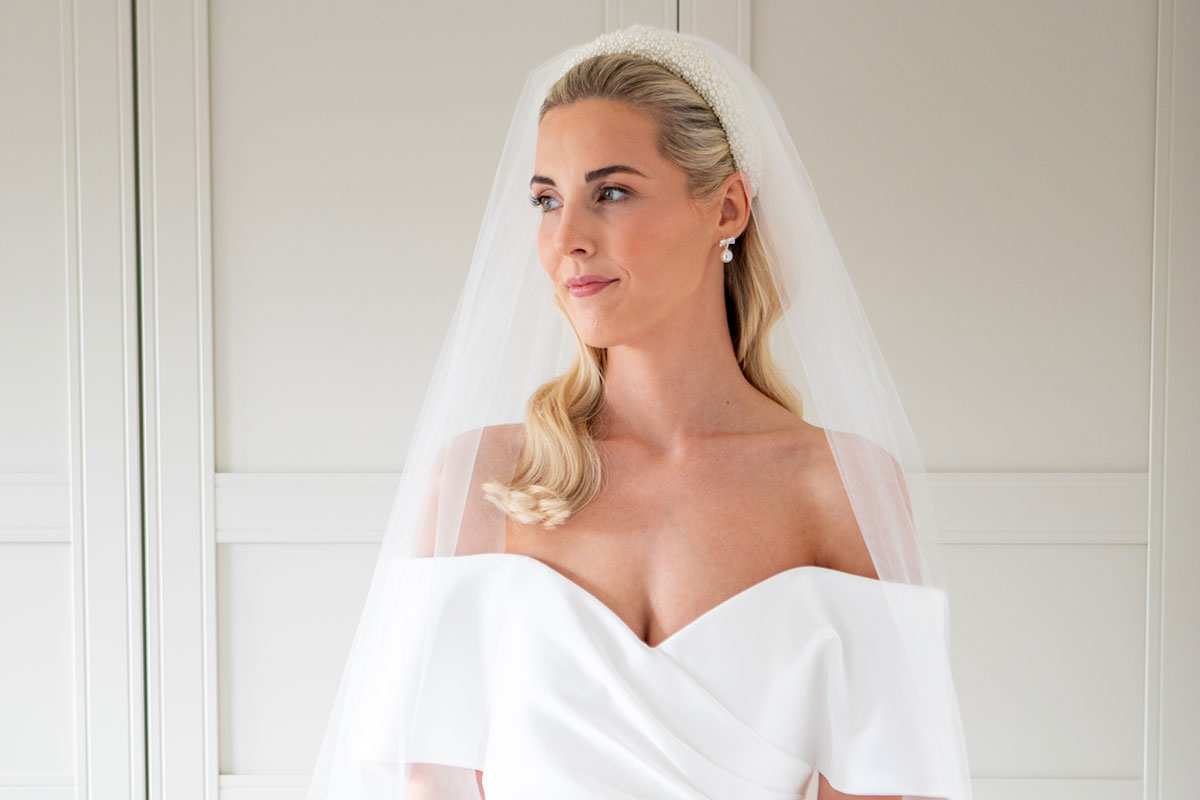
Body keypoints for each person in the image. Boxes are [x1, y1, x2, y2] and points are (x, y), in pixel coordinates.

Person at [305, 24, 973, 800]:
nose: (567, 241)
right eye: (546, 201)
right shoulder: (482, 479)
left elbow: (882, 786)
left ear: (726, 209)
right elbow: (428, 780)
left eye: (611, 193)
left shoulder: (838, 487)